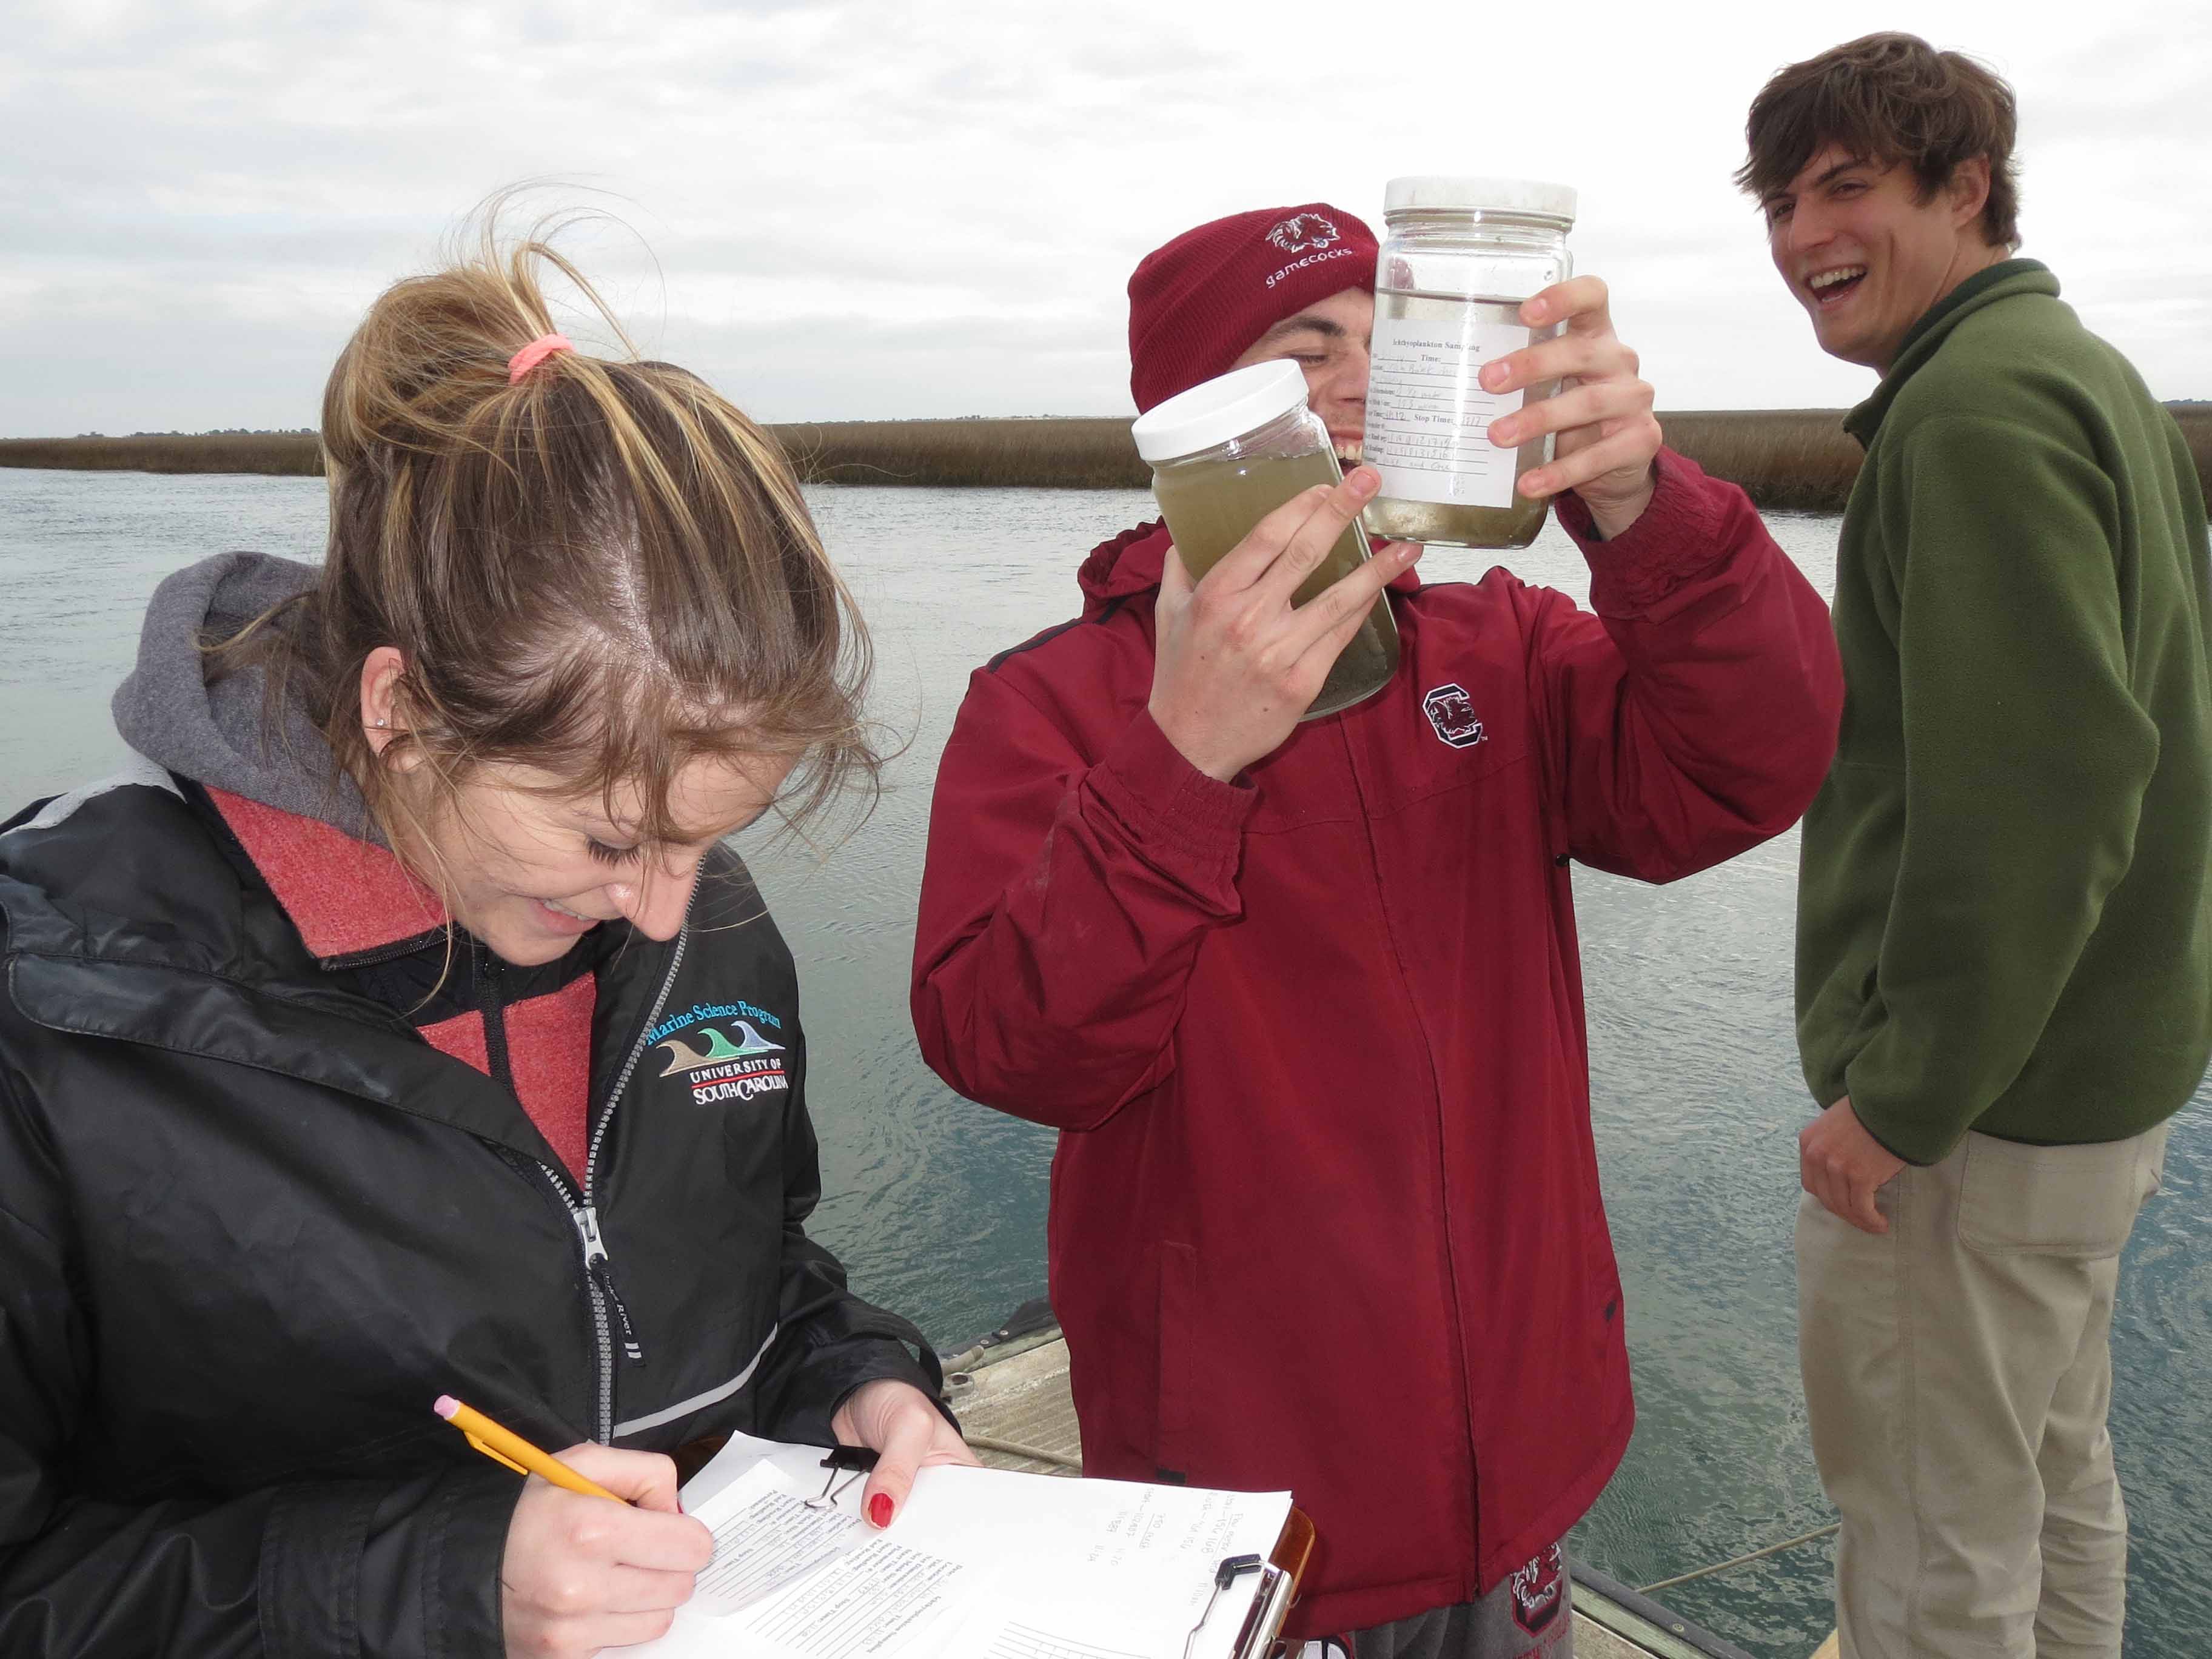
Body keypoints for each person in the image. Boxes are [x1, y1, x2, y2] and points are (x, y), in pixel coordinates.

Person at [0, 225, 974, 1659]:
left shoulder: (707, 920)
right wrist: (440, 1585)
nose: (668, 905)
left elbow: (756, 1266)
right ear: (399, 714)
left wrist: (852, 1382)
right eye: (607, 840)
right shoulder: (57, 1006)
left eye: (712, 834)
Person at [908, 202, 1845, 1651]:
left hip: (1521, 1458)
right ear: (1195, 418)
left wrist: (1643, 505)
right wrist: (1184, 757)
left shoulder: (1501, 645)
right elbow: (1012, 1051)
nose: (1358, 380)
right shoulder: (1048, 704)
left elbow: (1749, 767)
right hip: (1244, 1513)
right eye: (1305, 349)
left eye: (1379, 340)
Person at [1743, 33, 2212, 1659]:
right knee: (2050, 1477)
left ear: (1969, 190)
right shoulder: (2088, 376)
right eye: (1784, 200)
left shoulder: (1973, 416)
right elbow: (2139, 742)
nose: (1805, 235)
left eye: (1851, 188)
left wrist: (1902, 1099)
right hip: (2096, 1088)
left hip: (1983, 1121)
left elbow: (2050, 792)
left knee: (1937, 1545)